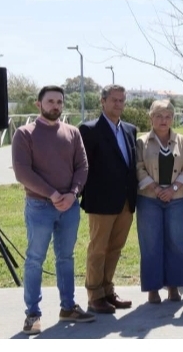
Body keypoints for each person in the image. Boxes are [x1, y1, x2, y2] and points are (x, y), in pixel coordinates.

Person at [13, 86, 95, 334]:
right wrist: (52, 193)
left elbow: (82, 166)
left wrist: (73, 193)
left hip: (69, 206)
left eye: (59, 102)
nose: (55, 106)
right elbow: (22, 172)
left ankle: (68, 307)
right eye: (50, 101)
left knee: (66, 257)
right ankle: (32, 314)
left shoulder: (72, 132)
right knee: (35, 259)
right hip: (39, 206)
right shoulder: (24, 134)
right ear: (38, 104)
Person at [79, 85, 137, 314]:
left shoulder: (130, 130)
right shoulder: (89, 130)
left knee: (115, 248)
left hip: (126, 201)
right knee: (98, 249)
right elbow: (83, 167)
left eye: (122, 100)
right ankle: (95, 296)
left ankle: (107, 290)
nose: (118, 104)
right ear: (103, 101)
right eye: (114, 100)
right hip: (101, 202)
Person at [134, 99, 183, 304]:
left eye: (168, 116)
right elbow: (138, 167)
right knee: (151, 244)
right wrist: (157, 189)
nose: (163, 120)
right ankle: (153, 288)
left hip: (176, 199)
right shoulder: (141, 142)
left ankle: (174, 287)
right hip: (149, 199)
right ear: (151, 118)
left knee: (177, 242)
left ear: (173, 119)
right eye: (158, 116)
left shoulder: (182, 141)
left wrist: (173, 189)